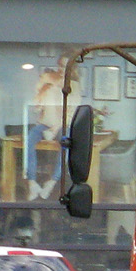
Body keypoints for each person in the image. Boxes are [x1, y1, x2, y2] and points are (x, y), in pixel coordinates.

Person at [26, 50, 80, 200]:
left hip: (63, 125)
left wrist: (56, 127)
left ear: (73, 68)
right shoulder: (49, 81)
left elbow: (72, 112)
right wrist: (42, 90)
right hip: (44, 124)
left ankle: (52, 182)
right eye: (61, 65)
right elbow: (38, 107)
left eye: (66, 66)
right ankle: (32, 182)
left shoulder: (74, 86)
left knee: (66, 143)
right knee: (29, 138)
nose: (62, 69)